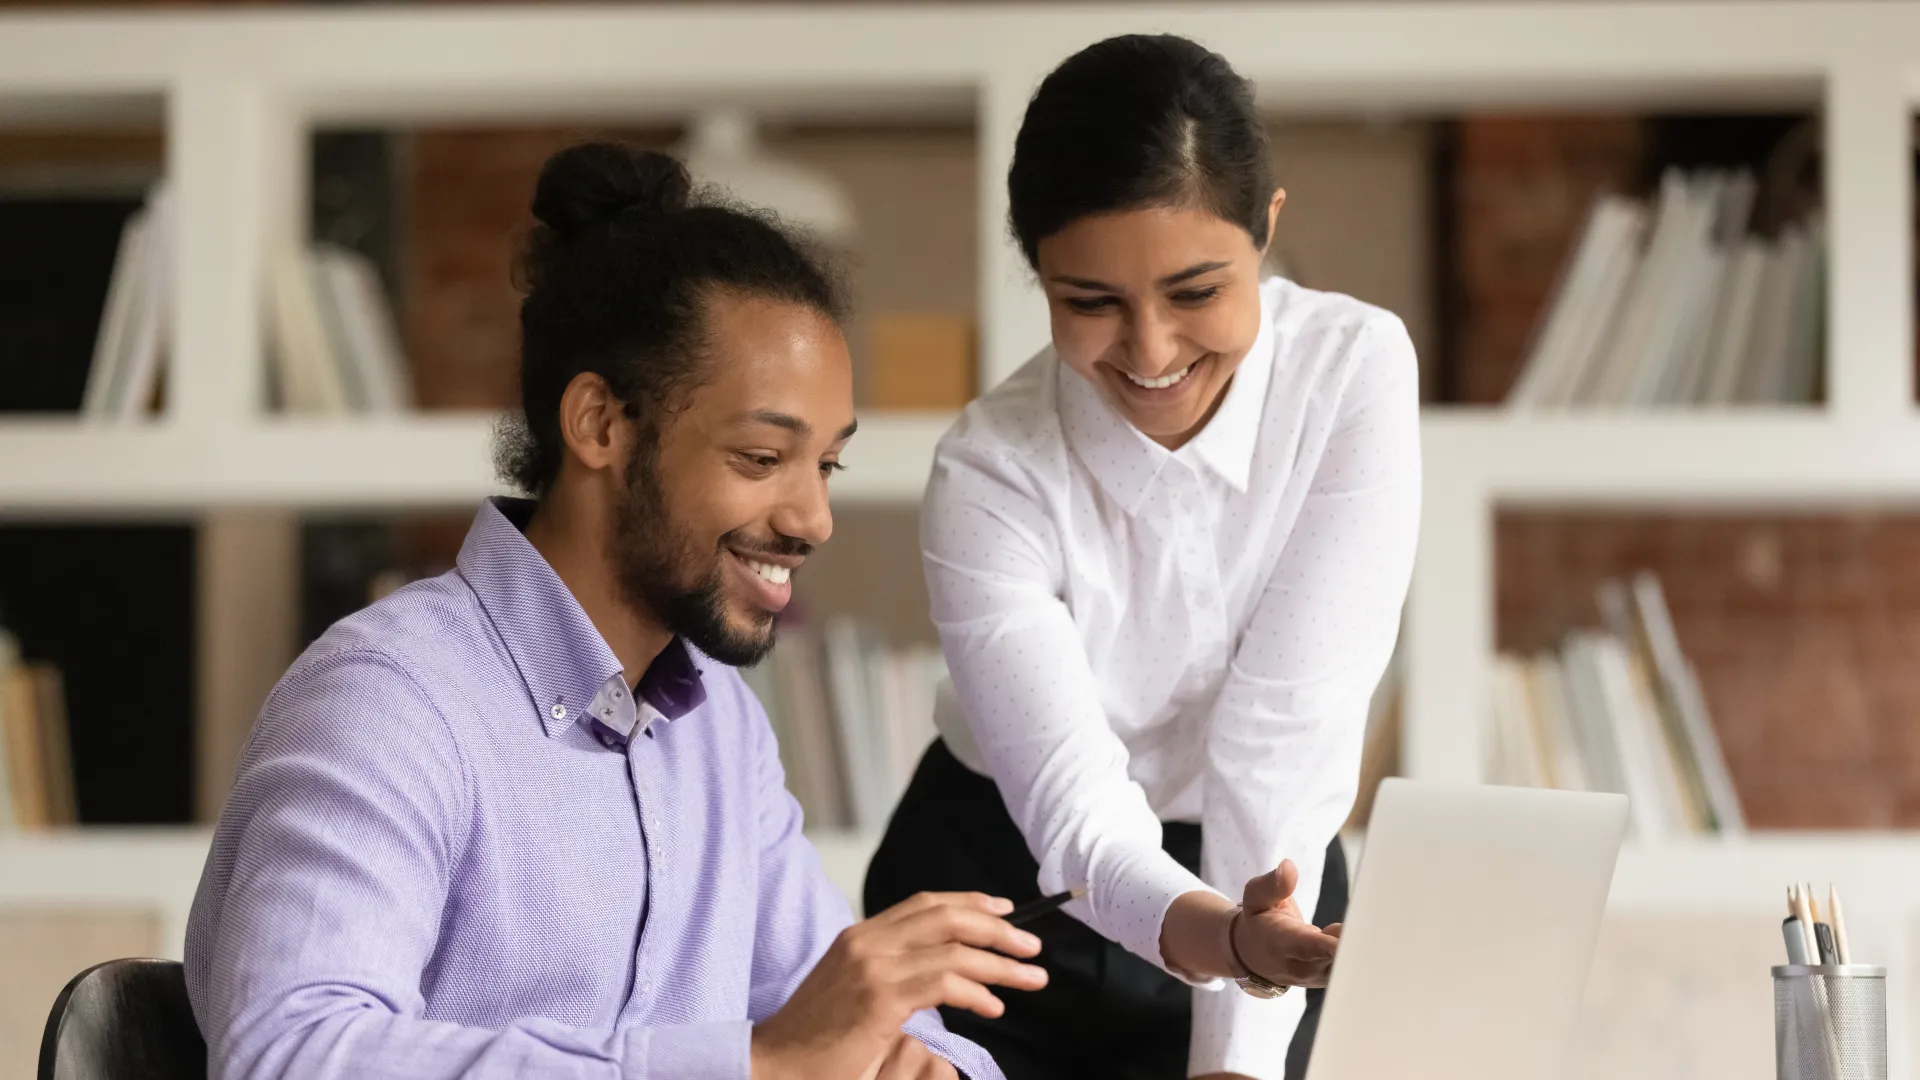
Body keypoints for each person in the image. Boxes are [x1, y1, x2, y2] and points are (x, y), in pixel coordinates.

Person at [184, 142, 1044, 1080]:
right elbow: (291, 1055)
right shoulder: (387, 700)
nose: (813, 519)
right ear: (599, 425)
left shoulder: (721, 730)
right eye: (762, 459)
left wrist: (920, 1067)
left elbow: (835, 1013)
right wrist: (754, 1068)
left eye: (826, 465)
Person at [864, 34, 1420, 1080]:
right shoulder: (990, 473)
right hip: (1007, 880)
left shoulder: (1352, 375)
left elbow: (1285, 729)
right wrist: (1225, 946)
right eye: (1091, 303)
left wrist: (1238, 1045)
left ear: (1266, 225)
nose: (1152, 351)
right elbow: (1075, 812)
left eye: (1196, 292)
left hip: (1271, 877)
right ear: (1038, 274)